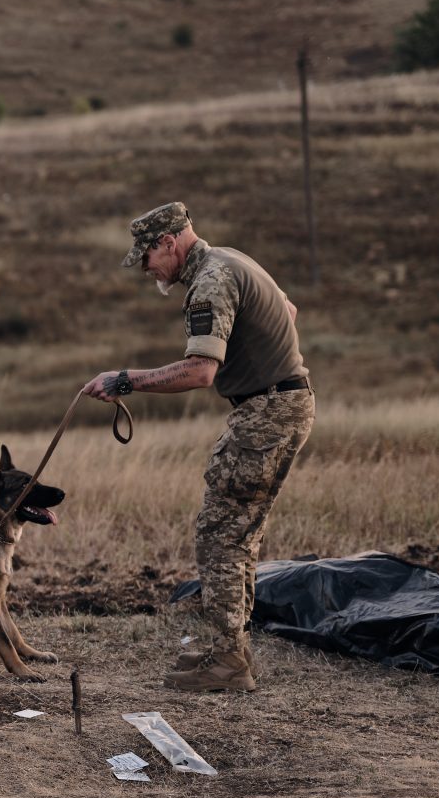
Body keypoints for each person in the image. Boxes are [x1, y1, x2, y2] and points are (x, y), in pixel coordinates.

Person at [82, 201, 313, 693]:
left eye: (146, 257)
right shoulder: (232, 259)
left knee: (220, 534)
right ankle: (230, 650)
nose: (146, 269)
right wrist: (262, 360)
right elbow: (287, 310)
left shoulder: (210, 279)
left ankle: (229, 661)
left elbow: (201, 370)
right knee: (239, 533)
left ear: (168, 243)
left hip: (266, 412)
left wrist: (124, 380)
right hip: (283, 403)